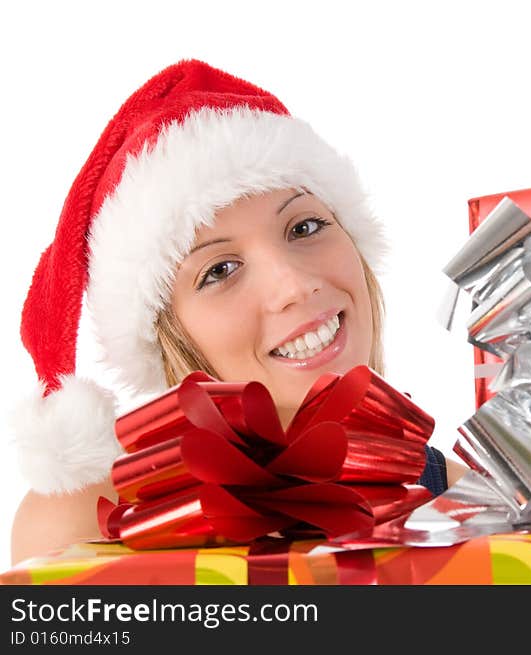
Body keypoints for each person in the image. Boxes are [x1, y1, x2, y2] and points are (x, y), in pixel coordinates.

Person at [9, 59, 465, 566]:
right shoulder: (79, 520)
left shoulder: (463, 502)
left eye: (305, 228)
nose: (292, 285)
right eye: (220, 269)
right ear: (168, 335)